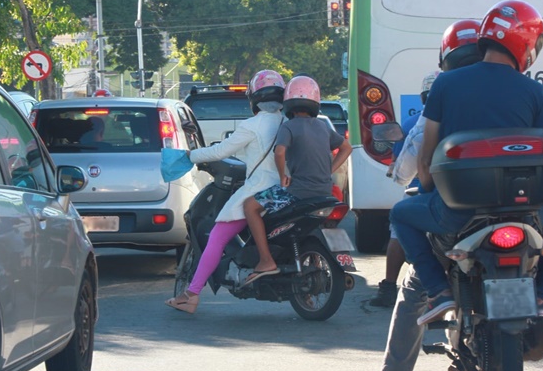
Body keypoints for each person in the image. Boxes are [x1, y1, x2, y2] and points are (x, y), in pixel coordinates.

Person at [390, 0, 543, 329]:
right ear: (526, 45)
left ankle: (439, 291)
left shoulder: (444, 84)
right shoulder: (534, 90)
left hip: (458, 212)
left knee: (400, 214)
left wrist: (427, 189)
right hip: (523, 210)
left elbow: (426, 155)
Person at [379, 19, 483, 371]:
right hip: (510, 213)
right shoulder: (515, 93)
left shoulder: (440, 99)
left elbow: (414, 167)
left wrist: (424, 180)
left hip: (453, 220)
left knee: (413, 288)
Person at [165, 69, 287, 314]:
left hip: (261, 191)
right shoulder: (288, 122)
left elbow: (220, 152)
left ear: (254, 97)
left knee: (218, 235)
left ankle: (191, 295)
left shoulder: (252, 125)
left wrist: (190, 155)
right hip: (285, 192)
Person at [242, 75, 352, 284]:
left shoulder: (288, 127)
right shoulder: (323, 127)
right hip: (324, 192)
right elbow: (346, 148)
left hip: (297, 192)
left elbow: (280, 152)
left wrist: (284, 176)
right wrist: (329, 169)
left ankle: (266, 260)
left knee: (250, 206)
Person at [370, 70, 440, 307]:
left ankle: (389, 287)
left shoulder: (413, 124)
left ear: (423, 97)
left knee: (397, 229)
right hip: (460, 194)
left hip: (421, 193)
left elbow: (401, 169)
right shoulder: (464, 120)